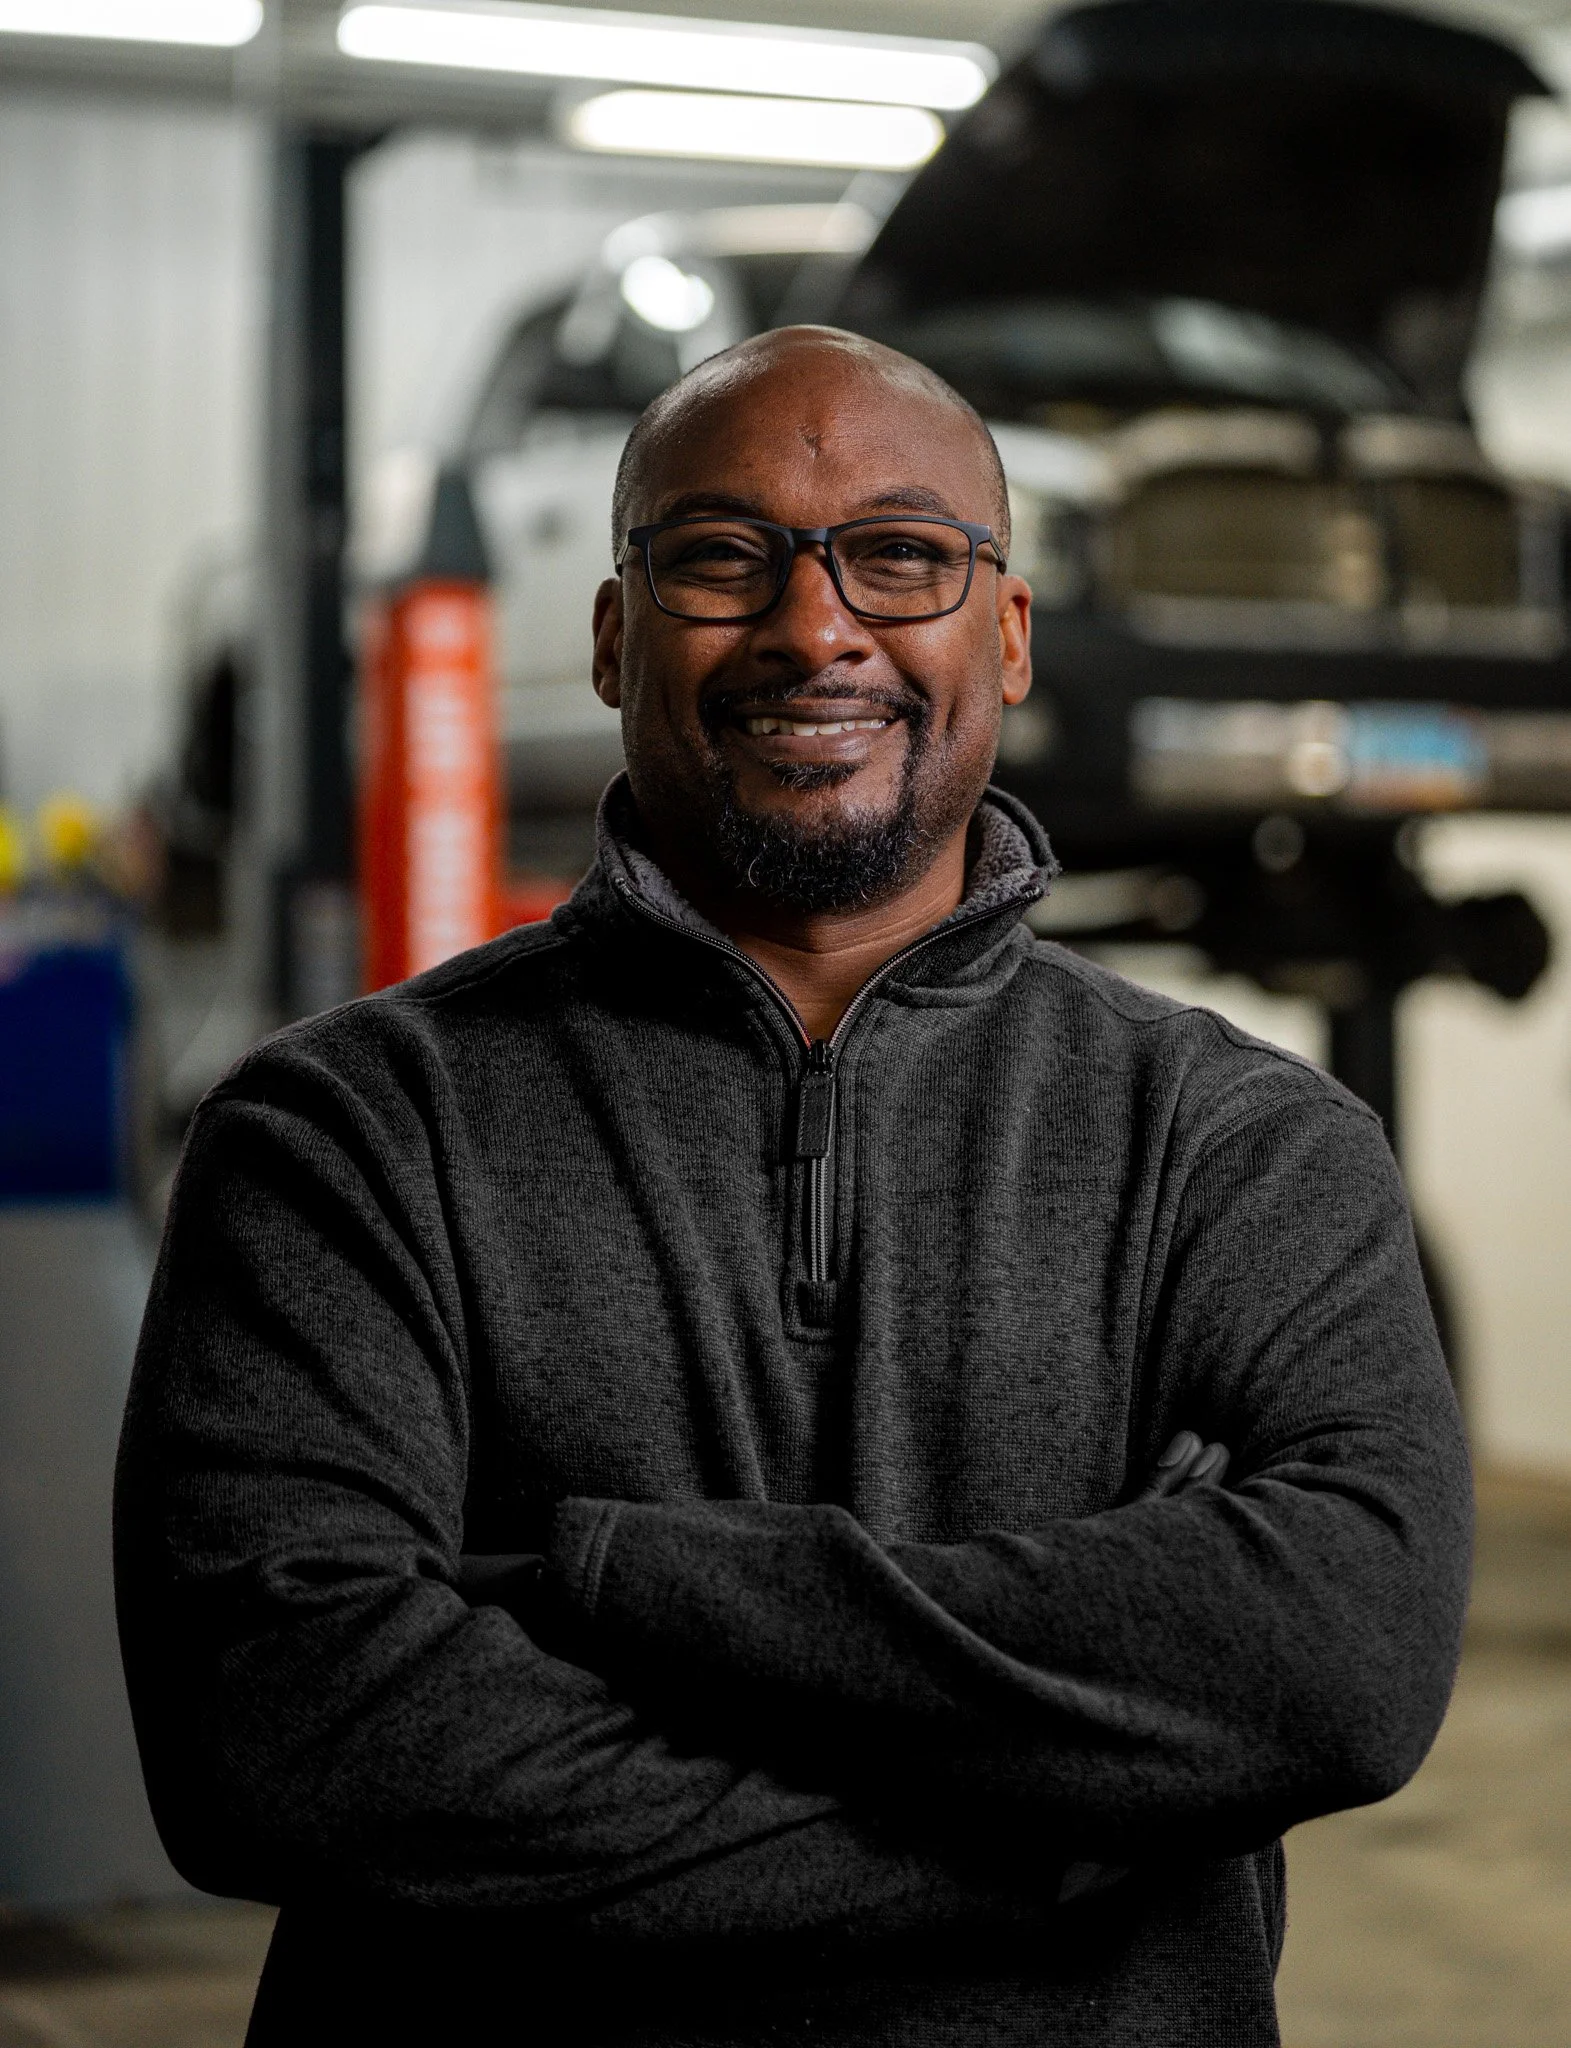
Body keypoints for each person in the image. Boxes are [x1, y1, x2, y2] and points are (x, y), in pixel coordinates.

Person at [115, 327, 1470, 2046]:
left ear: (1009, 629)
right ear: (613, 636)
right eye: (718, 559)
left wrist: (608, 1581)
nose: (813, 625)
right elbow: (279, 1743)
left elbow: (1334, 1664)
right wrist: (1075, 1824)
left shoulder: (1245, 1148)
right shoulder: (343, 1134)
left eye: (898, 555)